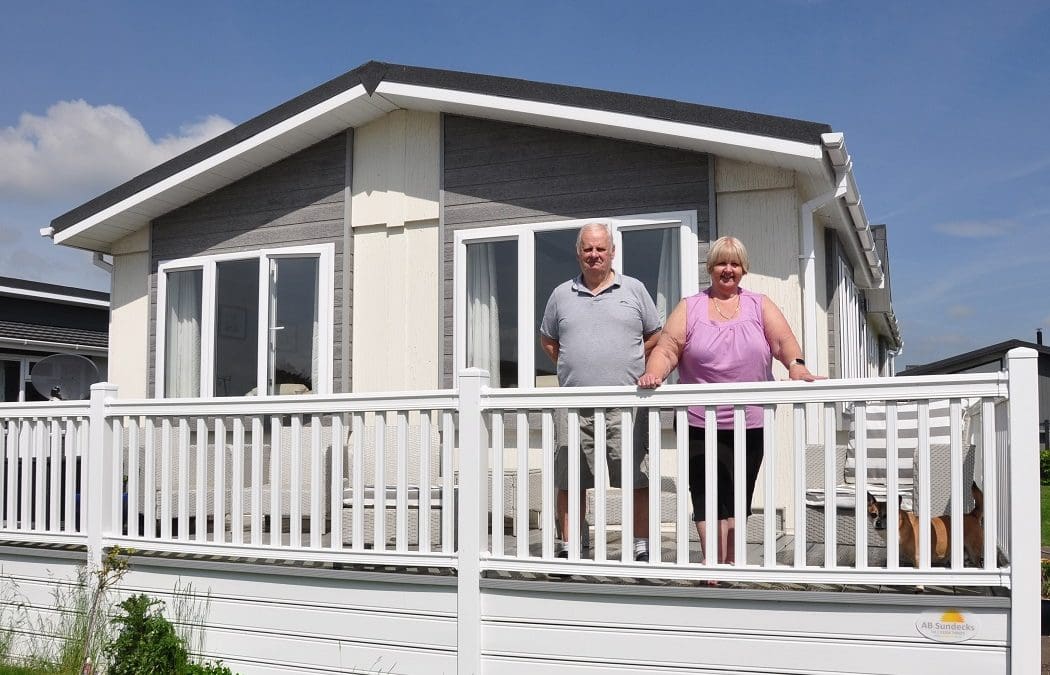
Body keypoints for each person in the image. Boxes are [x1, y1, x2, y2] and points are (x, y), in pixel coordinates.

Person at [638, 235, 822, 567]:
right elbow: (667, 348)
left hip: (749, 420)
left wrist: (796, 367)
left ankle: (732, 560)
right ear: (711, 267)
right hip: (698, 420)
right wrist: (655, 373)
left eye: (734, 263)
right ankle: (712, 564)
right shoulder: (690, 306)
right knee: (706, 491)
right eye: (722, 262)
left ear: (743, 269)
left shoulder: (758, 304)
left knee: (739, 492)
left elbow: (783, 342)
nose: (728, 269)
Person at [540, 223, 662, 562]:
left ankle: (640, 545)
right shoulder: (561, 294)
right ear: (578, 253)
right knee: (570, 477)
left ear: (612, 252)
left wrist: (632, 364)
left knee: (636, 476)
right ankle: (571, 544)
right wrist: (579, 368)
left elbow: (654, 335)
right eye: (588, 249)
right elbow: (549, 341)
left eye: (600, 249)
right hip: (573, 402)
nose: (594, 255)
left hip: (627, 404)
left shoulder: (634, 290)